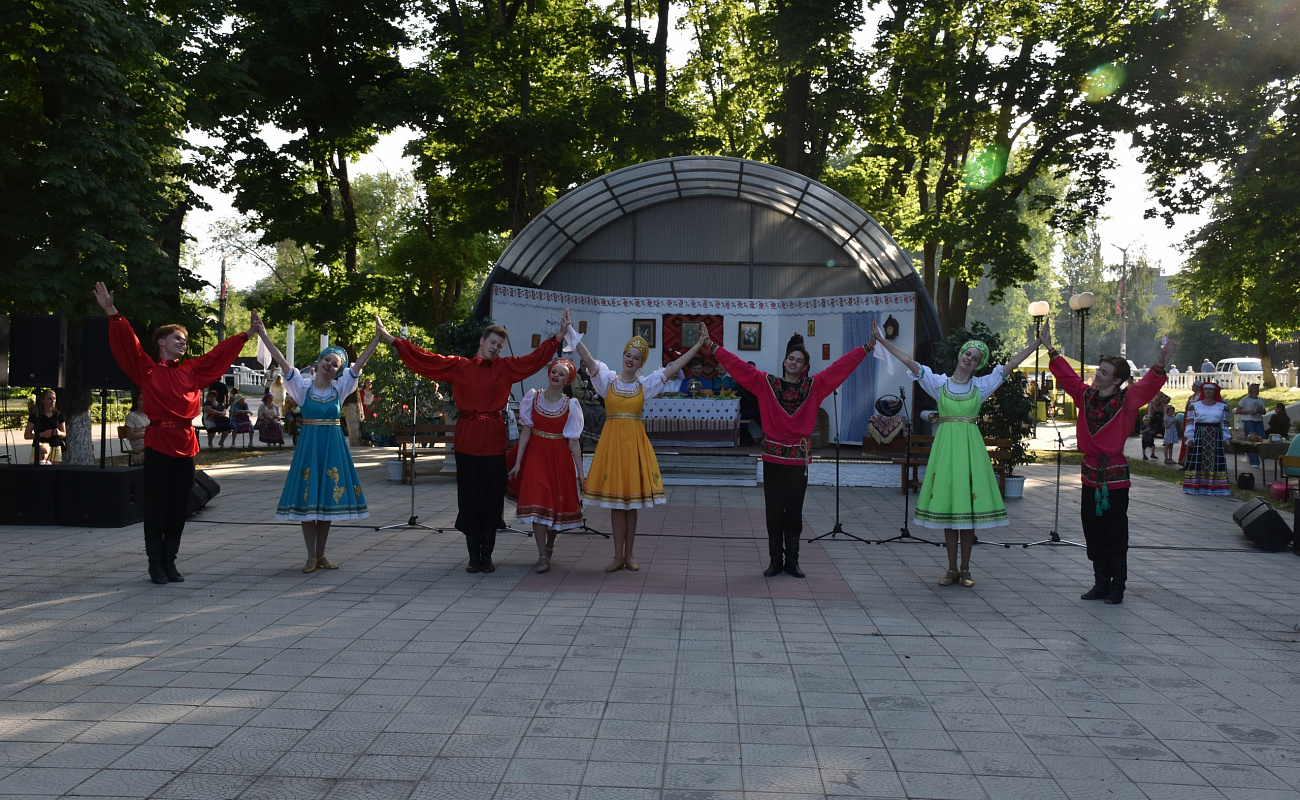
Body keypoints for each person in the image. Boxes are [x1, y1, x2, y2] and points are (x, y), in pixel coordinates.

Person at [378, 313, 568, 573]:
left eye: (499, 345)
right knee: (468, 498)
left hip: (493, 440)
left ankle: (487, 556)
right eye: (492, 342)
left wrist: (558, 337)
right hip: (467, 439)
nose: (495, 347)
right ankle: (473, 556)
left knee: (491, 498)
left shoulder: (506, 367)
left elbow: (533, 360)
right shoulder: (459, 366)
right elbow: (426, 359)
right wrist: (391, 339)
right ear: (482, 341)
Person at [94, 281, 252, 585]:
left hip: (185, 443)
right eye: (177, 338)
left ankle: (170, 560)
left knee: (180, 505)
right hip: (158, 443)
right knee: (156, 504)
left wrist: (245, 334)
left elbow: (218, 356)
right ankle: (155, 563)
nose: (183, 342)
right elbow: (128, 344)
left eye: (184, 339)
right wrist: (111, 311)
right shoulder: (148, 370)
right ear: (162, 343)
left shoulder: (190, 371)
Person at [877, 325, 1039, 588]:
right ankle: (951, 568)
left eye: (976, 358)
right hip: (946, 451)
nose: (970, 359)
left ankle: (966, 569)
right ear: (961, 355)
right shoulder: (938, 383)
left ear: (977, 365)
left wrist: (1035, 345)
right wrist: (882, 341)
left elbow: (1008, 367)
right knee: (949, 508)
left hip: (970, 451)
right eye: (968, 354)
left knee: (968, 511)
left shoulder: (980, 386)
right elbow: (909, 361)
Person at [707, 330, 872, 578]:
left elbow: (840, 368)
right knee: (773, 510)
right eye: (790, 358)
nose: (793, 362)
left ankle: (792, 561)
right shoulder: (766, 383)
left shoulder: (814, 386)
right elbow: (738, 367)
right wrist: (711, 346)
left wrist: (867, 347)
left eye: (799, 360)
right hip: (773, 456)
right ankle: (775, 560)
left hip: (797, 459)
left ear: (805, 367)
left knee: (793, 509)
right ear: (785, 361)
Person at [1046, 321, 1174, 605]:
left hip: (1115, 477)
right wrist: (1051, 350)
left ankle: (1118, 586)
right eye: (1098, 370)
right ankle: (1100, 582)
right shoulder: (1086, 396)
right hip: (1090, 474)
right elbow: (1068, 377)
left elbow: (1146, 386)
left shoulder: (1127, 402)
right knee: (1092, 529)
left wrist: (1160, 365)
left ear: (1116, 380)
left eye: (1103, 372)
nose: (1097, 375)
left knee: (1115, 531)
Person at [570, 320, 708, 572]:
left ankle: (630, 554)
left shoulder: (645, 385)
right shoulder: (607, 381)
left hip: (633, 446)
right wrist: (570, 331)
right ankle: (616, 555)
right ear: (623, 356)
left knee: (631, 503)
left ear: (641, 363)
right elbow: (588, 359)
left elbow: (675, 366)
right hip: (612, 446)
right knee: (615, 503)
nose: (630, 360)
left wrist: (698, 344)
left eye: (636, 358)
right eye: (628, 355)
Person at [253, 317, 382, 572]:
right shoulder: (302, 387)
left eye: (335, 364)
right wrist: (264, 335)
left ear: (338, 370)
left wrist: (377, 338)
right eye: (327, 360)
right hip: (310, 446)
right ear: (320, 361)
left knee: (326, 503)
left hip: (333, 446)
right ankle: (311, 555)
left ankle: (322, 554)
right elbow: (281, 361)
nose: (330, 365)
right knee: (309, 498)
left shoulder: (341, 388)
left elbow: (359, 365)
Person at [506, 359, 586, 573]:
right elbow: (525, 432)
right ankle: (542, 554)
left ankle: (549, 546)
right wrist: (518, 462)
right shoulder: (533, 397)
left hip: (559, 458)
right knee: (538, 500)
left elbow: (574, 442)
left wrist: (581, 474)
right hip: (536, 456)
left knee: (555, 505)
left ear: (567, 380)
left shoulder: (570, 405)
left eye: (561, 374)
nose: (556, 375)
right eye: (553, 371)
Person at [1182, 381, 1231, 496]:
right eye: (1206, 389)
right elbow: (1190, 422)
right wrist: (1190, 437)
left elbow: (1224, 424)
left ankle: (1215, 486)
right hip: (1200, 434)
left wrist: (1225, 438)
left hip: (1216, 436)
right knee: (1198, 460)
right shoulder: (1194, 405)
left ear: (1215, 391)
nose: (1208, 392)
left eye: (1211, 390)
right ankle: (1196, 485)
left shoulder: (1222, 407)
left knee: (1215, 461)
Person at [24, 389, 66, 464]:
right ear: (43, 400)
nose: (52, 401)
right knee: (37, 471)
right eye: (49, 398)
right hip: (39, 447)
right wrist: (42, 434)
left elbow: (64, 434)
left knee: (54, 471)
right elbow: (27, 435)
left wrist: (59, 433)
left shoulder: (59, 415)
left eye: (54, 398)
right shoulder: (35, 415)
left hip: (55, 446)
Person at [1235, 383, 1266, 467]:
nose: (1256, 390)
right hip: (1249, 421)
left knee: (1262, 438)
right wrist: (1249, 412)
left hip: (1258, 420)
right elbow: (1238, 411)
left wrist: (1260, 411)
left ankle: (1262, 456)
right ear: (1251, 390)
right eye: (1255, 388)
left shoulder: (1260, 400)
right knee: (1251, 439)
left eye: (1257, 388)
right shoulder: (1245, 399)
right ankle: (1254, 461)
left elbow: (1264, 411)